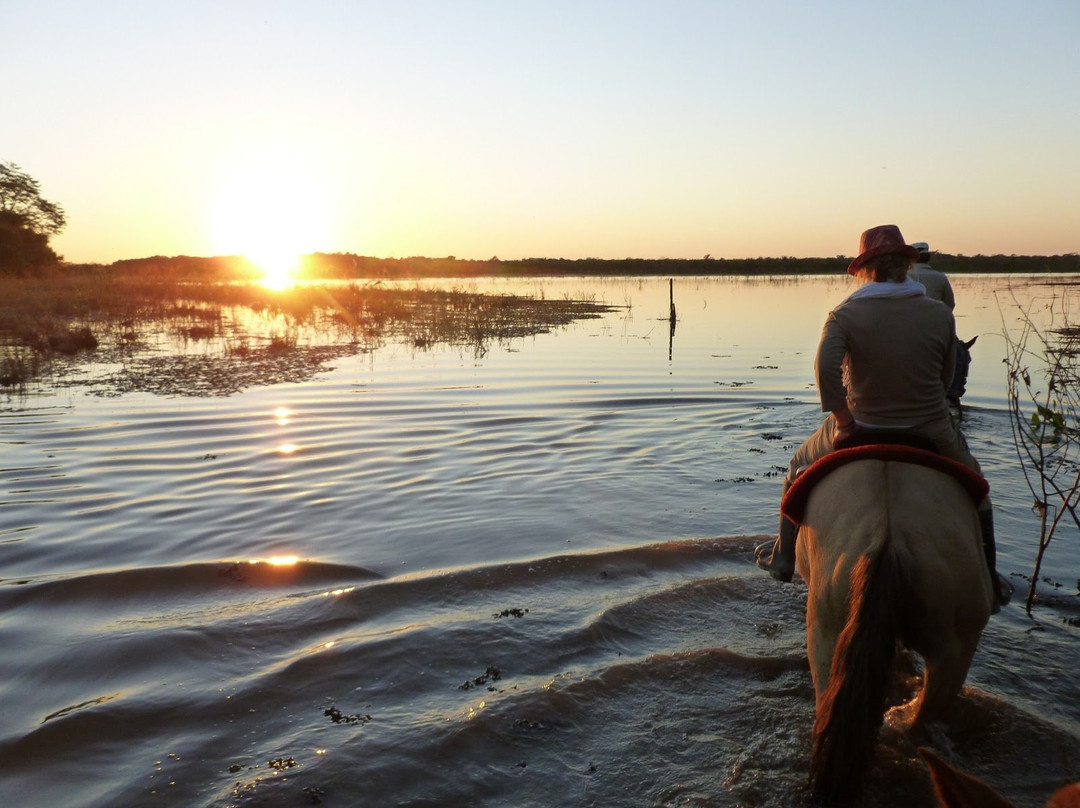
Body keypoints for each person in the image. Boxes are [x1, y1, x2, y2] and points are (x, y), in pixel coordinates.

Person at [755, 224, 1011, 608]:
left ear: (865, 268)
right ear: (905, 265)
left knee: (796, 468)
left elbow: (825, 370)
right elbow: (945, 377)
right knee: (978, 485)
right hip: (930, 427)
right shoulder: (938, 314)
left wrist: (843, 419)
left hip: (860, 425)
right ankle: (988, 581)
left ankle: (783, 557)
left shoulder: (843, 313)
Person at [907, 241, 970, 405]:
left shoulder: (903, 278)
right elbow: (950, 306)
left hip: (906, 331)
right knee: (961, 354)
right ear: (928, 258)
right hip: (937, 331)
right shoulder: (940, 277)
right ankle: (952, 392)